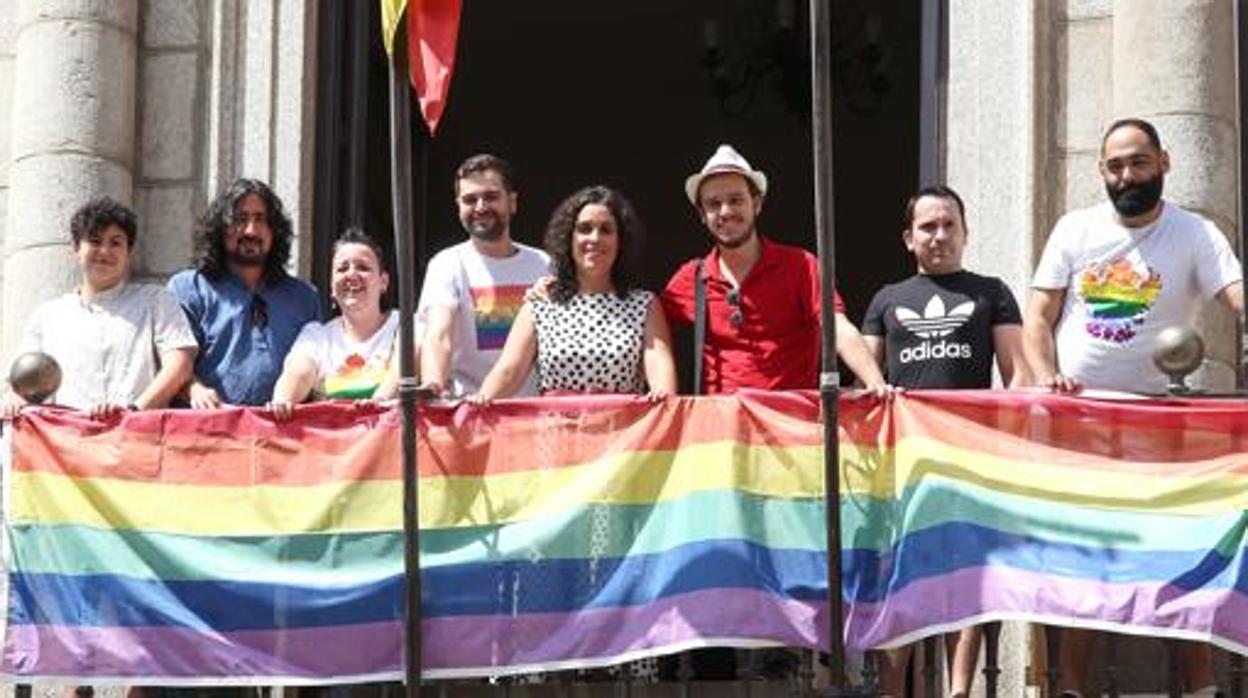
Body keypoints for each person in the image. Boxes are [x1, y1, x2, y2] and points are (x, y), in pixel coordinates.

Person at [1023, 117, 1241, 698]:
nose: (1127, 176)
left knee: (1181, 553)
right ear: (1101, 171)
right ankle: (1067, 687)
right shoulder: (1075, 228)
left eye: (1139, 162)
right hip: (1079, 426)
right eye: (1115, 166)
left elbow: (1236, 296)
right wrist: (1047, 377)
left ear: (1163, 162)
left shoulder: (1195, 234)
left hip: (1159, 427)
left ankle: (1200, 688)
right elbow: (1037, 319)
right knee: (1082, 559)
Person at [861, 185, 1026, 698]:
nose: (939, 235)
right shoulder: (887, 299)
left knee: (965, 572)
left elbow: (1016, 374)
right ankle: (893, 689)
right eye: (927, 227)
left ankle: (958, 692)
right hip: (902, 458)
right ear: (909, 238)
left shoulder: (991, 291)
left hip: (968, 456)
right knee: (899, 576)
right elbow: (867, 380)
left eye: (949, 225)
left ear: (966, 232)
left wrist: (1003, 445)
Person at [662, 144, 887, 394]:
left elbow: (837, 327)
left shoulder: (801, 265)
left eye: (736, 200)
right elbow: (651, 336)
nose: (725, 211)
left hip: (790, 423)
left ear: (756, 204)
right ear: (702, 215)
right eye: (714, 204)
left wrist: (875, 382)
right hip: (722, 425)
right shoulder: (692, 277)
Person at [473, 185, 676, 402]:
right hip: (557, 432)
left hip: (622, 433)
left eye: (606, 229)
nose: (594, 238)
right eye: (585, 229)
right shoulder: (540, 304)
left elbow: (659, 370)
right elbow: (509, 371)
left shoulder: (644, 305)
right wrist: (477, 404)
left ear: (621, 241)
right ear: (569, 238)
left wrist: (665, 399)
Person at [2, 197, 197, 419]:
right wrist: (16, 397)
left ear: (128, 251)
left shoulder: (156, 301)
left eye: (115, 243)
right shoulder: (47, 316)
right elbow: (23, 381)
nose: (104, 251)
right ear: (75, 247)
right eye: (94, 241)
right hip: (66, 441)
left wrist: (132, 411)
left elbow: (179, 364)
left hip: (136, 436)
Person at [379, 153, 550, 399]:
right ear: (458, 206)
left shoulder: (544, 264)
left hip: (531, 416)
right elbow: (438, 333)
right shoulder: (446, 263)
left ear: (512, 202)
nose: (480, 207)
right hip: (467, 415)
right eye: (470, 199)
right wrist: (434, 385)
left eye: (491, 197)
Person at [167, 178, 321, 408]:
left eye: (261, 219)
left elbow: (319, 369)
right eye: (240, 220)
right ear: (220, 229)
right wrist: (194, 390)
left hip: (284, 434)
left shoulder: (304, 297)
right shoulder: (189, 288)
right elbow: (168, 360)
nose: (251, 230)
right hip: (206, 431)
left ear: (274, 231)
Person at [268, 228, 400, 420]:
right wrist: (282, 399)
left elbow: (404, 367)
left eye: (363, 267)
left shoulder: (404, 325)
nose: (351, 275)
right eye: (342, 268)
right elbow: (298, 372)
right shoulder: (316, 336)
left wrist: (380, 401)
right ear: (332, 287)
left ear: (383, 282)